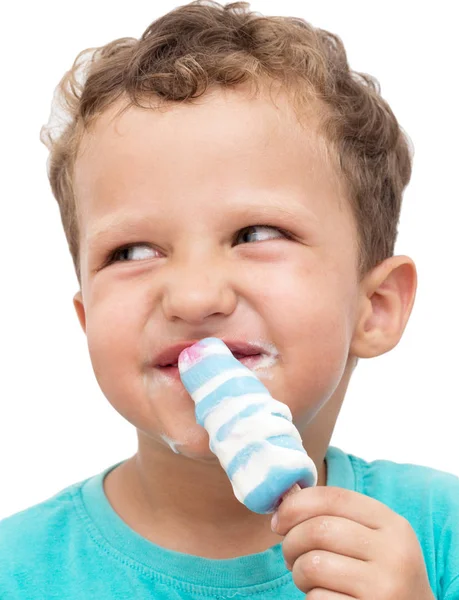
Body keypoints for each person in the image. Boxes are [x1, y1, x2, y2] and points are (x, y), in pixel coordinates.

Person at [1, 1, 458, 598]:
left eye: (256, 235)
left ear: (375, 307)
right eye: (133, 252)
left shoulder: (439, 536)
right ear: (87, 320)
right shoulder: (17, 571)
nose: (194, 297)